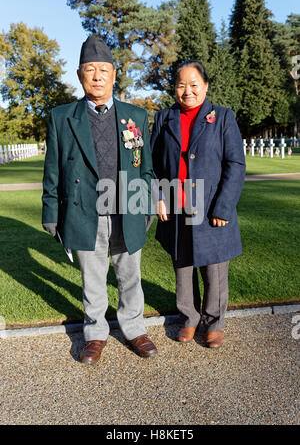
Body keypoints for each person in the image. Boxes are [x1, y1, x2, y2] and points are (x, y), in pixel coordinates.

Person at [42, 36, 157, 364]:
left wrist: (146, 205)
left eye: (103, 69)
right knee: (92, 278)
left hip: (126, 209)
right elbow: (52, 171)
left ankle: (134, 328)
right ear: (80, 75)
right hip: (84, 212)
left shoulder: (136, 116)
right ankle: (95, 332)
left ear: (114, 74)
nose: (97, 76)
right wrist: (51, 212)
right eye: (90, 70)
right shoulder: (62, 117)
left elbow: (146, 169)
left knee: (129, 274)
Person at [151, 60, 245, 349]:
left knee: (214, 270)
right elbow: (151, 166)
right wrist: (159, 196)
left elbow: (236, 164)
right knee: (183, 266)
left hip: (210, 208)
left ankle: (214, 323)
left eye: (194, 85)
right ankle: (189, 318)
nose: (187, 91)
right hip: (177, 207)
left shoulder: (224, 117)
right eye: (181, 85)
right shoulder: (164, 118)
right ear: (174, 88)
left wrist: (223, 207)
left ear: (205, 86)